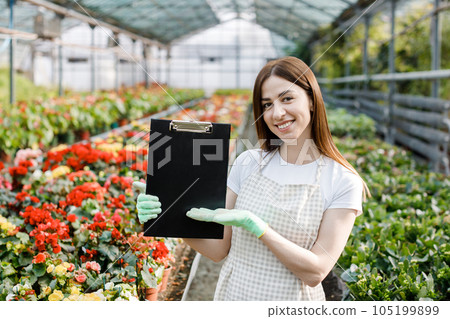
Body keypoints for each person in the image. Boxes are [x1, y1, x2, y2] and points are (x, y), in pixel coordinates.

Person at [133, 56, 370, 301]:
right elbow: (218, 250)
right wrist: (167, 217)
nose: (277, 113)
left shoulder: (342, 180)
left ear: (311, 100)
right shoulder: (248, 162)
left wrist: (258, 227)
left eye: (287, 98)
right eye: (267, 104)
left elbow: (316, 271)